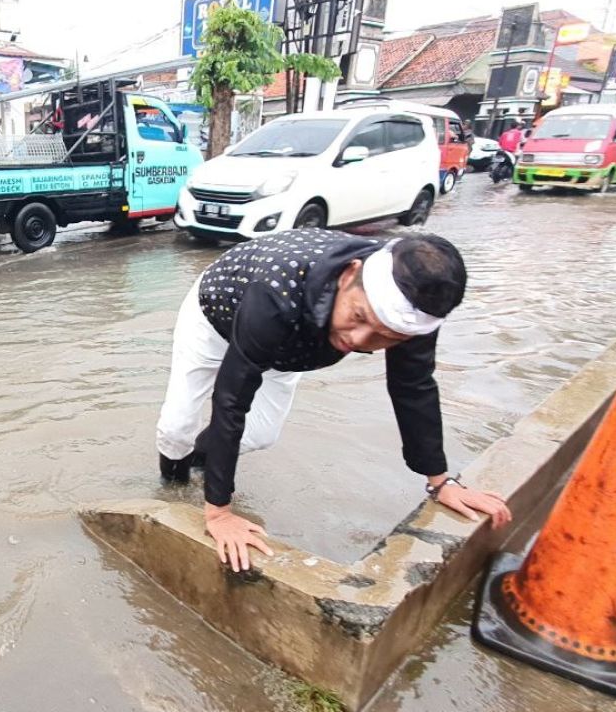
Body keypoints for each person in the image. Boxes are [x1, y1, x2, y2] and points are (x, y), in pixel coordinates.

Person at [156, 230, 512, 572]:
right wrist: (219, 513)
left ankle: (203, 460)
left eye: (384, 337)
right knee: (177, 428)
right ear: (349, 274)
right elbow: (231, 399)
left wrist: (441, 482)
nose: (358, 340)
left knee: (262, 434)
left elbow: (414, 387)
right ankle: (173, 485)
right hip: (217, 316)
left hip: (288, 347)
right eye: (359, 317)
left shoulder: (411, 307)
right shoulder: (276, 293)